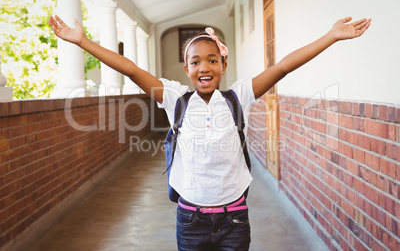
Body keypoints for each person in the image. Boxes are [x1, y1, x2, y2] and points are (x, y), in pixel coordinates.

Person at [49, 15, 371, 250]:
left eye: (212, 60)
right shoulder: (175, 98)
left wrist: (331, 36)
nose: (205, 67)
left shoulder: (238, 96)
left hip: (234, 221)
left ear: (223, 65)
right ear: (187, 69)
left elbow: (282, 66)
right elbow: (132, 69)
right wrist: (82, 42)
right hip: (190, 221)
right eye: (196, 62)